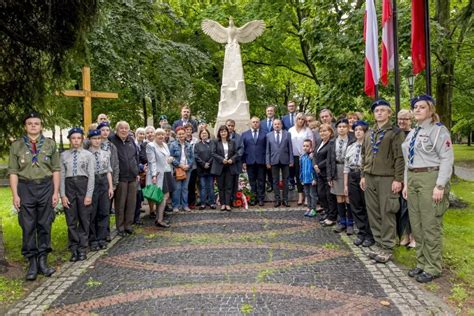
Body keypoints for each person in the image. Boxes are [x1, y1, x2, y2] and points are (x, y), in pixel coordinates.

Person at [402, 95, 454, 283]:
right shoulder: (413, 132)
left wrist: (440, 185)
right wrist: (407, 183)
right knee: (417, 224)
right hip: (414, 178)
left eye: (421, 107)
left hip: (430, 178)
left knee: (430, 224)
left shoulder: (438, 131)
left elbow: (447, 159)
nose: (417, 109)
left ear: (430, 110)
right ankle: (422, 263)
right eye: (415, 107)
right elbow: (408, 161)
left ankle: (433, 267)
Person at [8, 112, 60, 280]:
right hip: (25, 187)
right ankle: (32, 263)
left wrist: (56, 191)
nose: (33, 126)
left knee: (45, 224)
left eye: (36, 123)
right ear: (25, 126)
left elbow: (56, 170)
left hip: (45, 186)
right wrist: (15, 194)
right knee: (28, 225)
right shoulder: (16, 146)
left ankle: (43, 260)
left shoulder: (50, 145)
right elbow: (13, 172)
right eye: (29, 123)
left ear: (41, 126)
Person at [360, 99, 405, 264]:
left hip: (387, 178)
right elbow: (364, 156)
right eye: (376, 110)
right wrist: (363, 176)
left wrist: (398, 179)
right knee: (373, 212)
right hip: (370, 177)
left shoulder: (395, 133)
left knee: (387, 212)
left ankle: (387, 246)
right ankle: (379, 243)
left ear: (389, 113)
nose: (379, 113)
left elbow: (400, 158)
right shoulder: (369, 133)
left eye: (382, 110)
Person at [60, 128, 95, 262]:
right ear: (70, 139)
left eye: (78, 138)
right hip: (69, 186)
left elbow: (91, 176)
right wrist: (63, 195)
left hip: (83, 185)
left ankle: (82, 248)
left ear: (82, 139)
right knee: (71, 219)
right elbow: (62, 176)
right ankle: (73, 247)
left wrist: (89, 195)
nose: (76, 141)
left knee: (84, 218)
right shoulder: (64, 155)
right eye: (73, 138)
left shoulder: (88, 155)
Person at [344, 121, 375, 247]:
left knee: (366, 205)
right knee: (355, 205)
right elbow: (346, 166)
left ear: (365, 132)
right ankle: (361, 232)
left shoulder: (370, 147)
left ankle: (369, 234)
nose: (358, 132)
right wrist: (345, 185)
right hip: (352, 176)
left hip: (364, 176)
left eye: (361, 129)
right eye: (356, 129)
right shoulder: (351, 146)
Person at [110, 121, 140, 237]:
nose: (124, 130)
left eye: (126, 128)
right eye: (121, 128)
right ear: (117, 130)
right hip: (121, 177)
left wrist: (136, 170)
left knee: (131, 202)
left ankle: (128, 225)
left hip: (132, 176)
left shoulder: (131, 140)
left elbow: (136, 156)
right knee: (121, 203)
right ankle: (120, 226)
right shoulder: (112, 140)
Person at [86, 129, 114, 251]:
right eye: (94, 139)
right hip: (92, 182)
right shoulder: (86, 154)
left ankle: (102, 238)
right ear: (90, 140)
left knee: (103, 211)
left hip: (103, 181)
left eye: (98, 138)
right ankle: (93, 239)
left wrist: (110, 186)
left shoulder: (106, 153)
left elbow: (108, 170)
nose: (97, 141)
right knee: (93, 212)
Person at [328, 118, 355, 234]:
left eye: (344, 127)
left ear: (348, 128)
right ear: (336, 129)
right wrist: (329, 176)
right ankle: (342, 222)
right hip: (336, 169)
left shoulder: (352, 140)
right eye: (339, 127)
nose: (341, 129)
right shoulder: (332, 142)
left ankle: (350, 223)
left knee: (348, 196)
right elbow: (329, 160)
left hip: (349, 169)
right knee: (339, 197)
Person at [146, 128, 175, 228]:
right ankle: (159, 220)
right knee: (160, 197)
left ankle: (159, 218)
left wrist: (170, 159)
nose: (161, 136)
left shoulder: (165, 144)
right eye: (158, 134)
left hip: (166, 172)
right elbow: (152, 161)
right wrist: (154, 175)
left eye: (162, 134)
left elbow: (167, 157)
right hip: (158, 174)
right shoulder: (150, 146)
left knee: (165, 196)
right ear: (154, 135)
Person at [397, 109, 416, 248]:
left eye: (405, 119)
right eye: (400, 118)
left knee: (411, 208)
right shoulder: (395, 134)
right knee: (400, 208)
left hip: (411, 173)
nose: (402, 121)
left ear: (411, 120)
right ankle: (404, 234)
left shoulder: (414, 134)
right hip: (397, 175)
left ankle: (413, 236)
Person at [313, 123, 338, 226]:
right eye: (321, 131)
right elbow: (314, 154)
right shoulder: (319, 141)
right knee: (321, 194)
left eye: (325, 131)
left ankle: (332, 217)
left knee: (329, 196)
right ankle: (327, 213)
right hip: (319, 173)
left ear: (330, 132)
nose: (322, 133)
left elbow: (330, 158)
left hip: (327, 172)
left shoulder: (332, 143)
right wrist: (314, 165)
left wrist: (318, 165)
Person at [211, 125, 240, 211]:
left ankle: (227, 204)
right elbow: (213, 153)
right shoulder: (215, 142)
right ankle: (222, 203)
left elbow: (236, 153)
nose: (223, 133)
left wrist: (232, 159)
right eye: (221, 131)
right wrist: (222, 159)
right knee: (221, 186)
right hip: (220, 166)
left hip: (230, 166)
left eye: (225, 131)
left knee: (229, 186)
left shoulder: (232, 142)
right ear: (219, 133)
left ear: (228, 132)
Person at [266, 119, 294, 207]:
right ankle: (277, 200)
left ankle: (285, 200)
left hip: (285, 160)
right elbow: (267, 150)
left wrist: (291, 160)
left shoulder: (287, 134)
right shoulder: (268, 135)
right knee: (275, 181)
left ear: (281, 125)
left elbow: (290, 148)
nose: (277, 125)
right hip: (273, 161)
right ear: (273, 126)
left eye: (278, 124)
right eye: (275, 124)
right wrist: (268, 161)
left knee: (286, 180)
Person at [288, 113, 314, 204]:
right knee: (298, 176)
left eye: (302, 119)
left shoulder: (307, 130)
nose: (300, 121)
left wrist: (310, 153)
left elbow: (312, 144)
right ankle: (300, 195)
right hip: (295, 156)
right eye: (299, 119)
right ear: (296, 119)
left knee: (306, 175)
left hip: (306, 157)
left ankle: (307, 197)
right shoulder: (290, 130)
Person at [241, 117, 267, 206]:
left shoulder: (265, 134)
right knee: (251, 181)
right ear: (250, 123)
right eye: (253, 122)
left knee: (261, 180)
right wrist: (243, 161)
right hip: (249, 161)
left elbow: (267, 148)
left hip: (261, 161)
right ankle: (253, 198)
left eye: (257, 122)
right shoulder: (244, 134)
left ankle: (261, 199)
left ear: (259, 123)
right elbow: (242, 149)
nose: (255, 123)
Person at [169, 127, 194, 212]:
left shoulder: (189, 145)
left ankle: (185, 205)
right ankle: (176, 206)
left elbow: (192, 157)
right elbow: (171, 158)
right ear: (176, 135)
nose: (181, 135)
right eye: (179, 134)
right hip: (178, 169)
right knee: (177, 188)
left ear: (185, 134)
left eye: (182, 133)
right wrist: (180, 165)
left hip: (187, 169)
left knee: (185, 188)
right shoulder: (173, 145)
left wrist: (188, 165)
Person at [194, 129, 216, 210]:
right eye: (202, 133)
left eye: (205, 133)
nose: (204, 134)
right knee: (203, 187)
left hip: (210, 169)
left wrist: (208, 163)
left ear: (208, 134)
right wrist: (203, 164)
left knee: (210, 186)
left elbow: (214, 154)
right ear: (200, 135)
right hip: (201, 169)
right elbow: (196, 156)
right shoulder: (197, 145)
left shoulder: (212, 143)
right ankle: (203, 204)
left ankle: (212, 203)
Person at [226, 119, 243, 205]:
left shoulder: (239, 137)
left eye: (232, 126)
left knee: (234, 183)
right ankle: (226, 201)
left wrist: (232, 159)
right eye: (228, 125)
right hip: (225, 164)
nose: (230, 127)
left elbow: (241, 150)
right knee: (227, 183)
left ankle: (233, 200)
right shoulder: (222, 136)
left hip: (235, 164)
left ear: (234, 126)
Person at [300, 139, 318, 217]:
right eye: (304, 146)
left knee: (312, 194)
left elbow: (314, 169)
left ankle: (313, 209)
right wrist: (301, 179)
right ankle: (309, 208)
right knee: (307, 194)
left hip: (311, 180)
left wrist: (314, 178)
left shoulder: (312, 156)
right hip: (305, 179)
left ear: (311, 147)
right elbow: (301, 169)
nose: (305, 147)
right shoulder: (302, 157)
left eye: (307, 146)